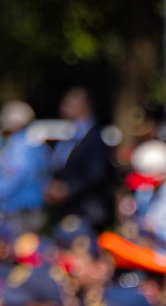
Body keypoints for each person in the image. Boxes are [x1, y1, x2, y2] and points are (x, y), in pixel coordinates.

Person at [46, 88, 115, 232]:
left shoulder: (98, 136)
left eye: (69, 104)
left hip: (88, 210)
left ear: (85, 106)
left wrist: (68, 188)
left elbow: (97, 173)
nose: (63, 108)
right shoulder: (70, 135)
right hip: (67, 209)